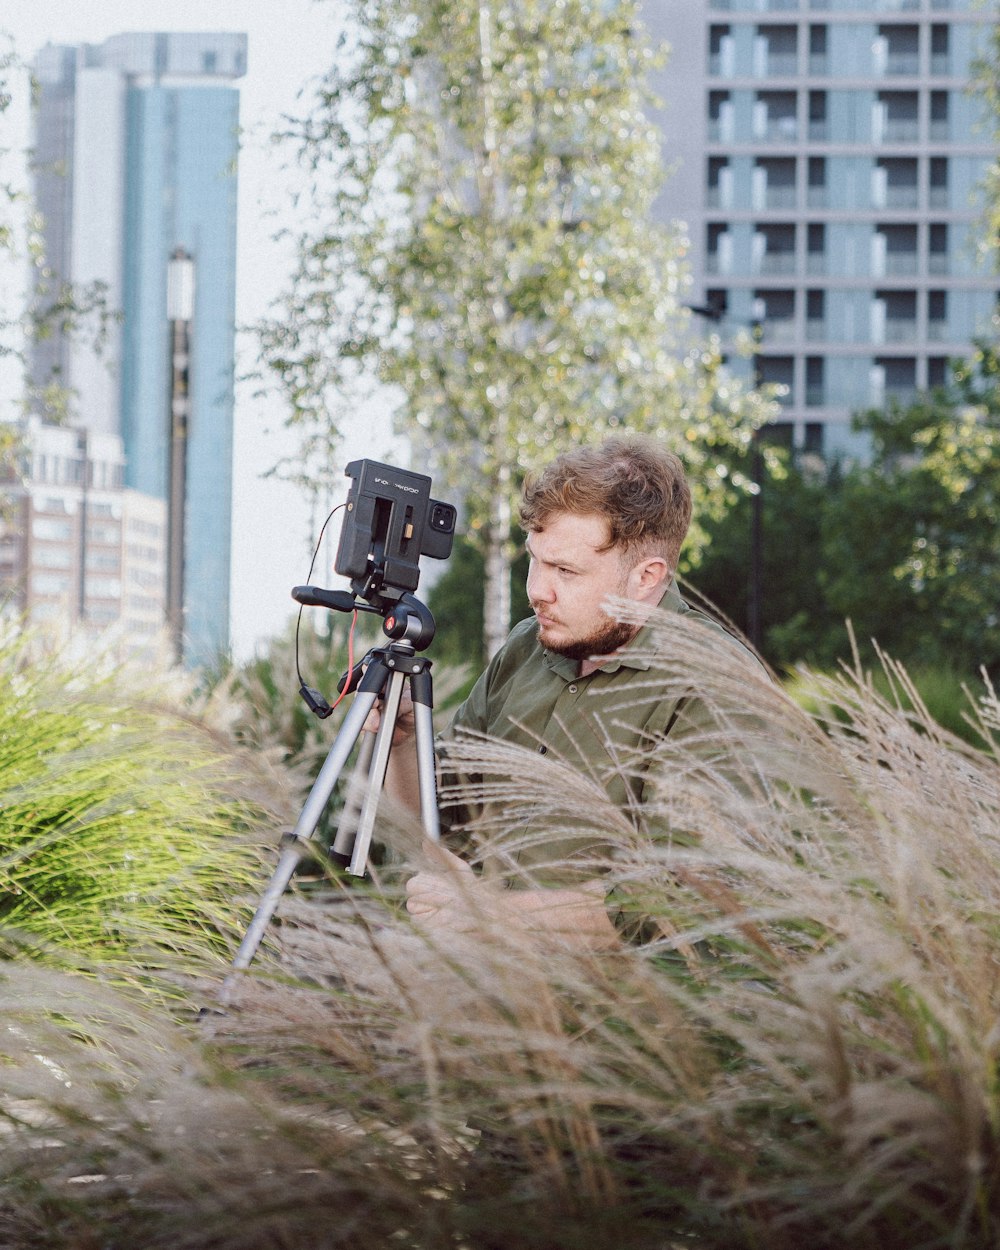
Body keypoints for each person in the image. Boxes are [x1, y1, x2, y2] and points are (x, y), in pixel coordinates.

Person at [378, 434, 751, 951]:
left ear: (647, 577)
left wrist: (490, 917)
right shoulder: (528, 645)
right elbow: (436, 820)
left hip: (625, 1019)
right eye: (535, 559)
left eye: (566, 571)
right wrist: (402, 744)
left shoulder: (712, 681)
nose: (536, 590)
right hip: (479, 987)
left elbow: (685, 897)